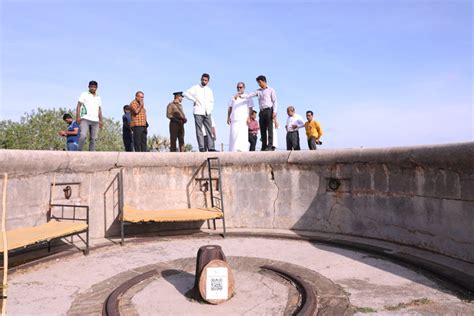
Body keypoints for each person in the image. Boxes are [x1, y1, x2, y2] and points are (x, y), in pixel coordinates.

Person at [240, 75, 277, 151]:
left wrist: (275, 111)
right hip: (262, 111)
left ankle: (270, 146)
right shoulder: (258, 91)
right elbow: (250, 95)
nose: (259, 84)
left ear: (264, 81)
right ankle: (264, 146)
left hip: (269, 110)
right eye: (258, 83)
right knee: (262, 130)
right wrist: (241, 95)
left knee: (270, 129)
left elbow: (275, 101)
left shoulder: (271, 90)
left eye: (260, 82)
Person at [183, 73, 216, 152]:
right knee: (199, 130)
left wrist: (210, 109)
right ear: (201, 79)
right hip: (198, 112)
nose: (204, 81)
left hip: (207, 112)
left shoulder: (209, 90)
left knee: (209, 130)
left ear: (208, 81)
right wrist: (194, 100)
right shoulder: (195, 87)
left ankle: (211, 147)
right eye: (203, 80)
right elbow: (185, 93)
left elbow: (212, 101)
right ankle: (201, 147)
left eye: (205, 80)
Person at [76, 80, 103, 151]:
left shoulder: (98, 97)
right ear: (89, 87)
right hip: (85, 118)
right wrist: (78, 116)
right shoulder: (84, 94)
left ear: (96, 88)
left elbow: (99, 109)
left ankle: (91, 152)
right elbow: (78, 105)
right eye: (91, 87)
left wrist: (101, 120)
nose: (93, 88)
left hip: (95, 120)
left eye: (94, 87)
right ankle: (79, 151)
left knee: (93, 138)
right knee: (83, 135)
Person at [228, 82, 254, 152]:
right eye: (238, 87)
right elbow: (230, 107)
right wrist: (228, 117)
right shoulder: (233, 97)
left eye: (240, 87)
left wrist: (249, 117)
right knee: (234, 135)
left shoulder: (248, 96)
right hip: (234, 119)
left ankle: (243, 150)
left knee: (242, 135)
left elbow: (251, 108)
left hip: (244, 119)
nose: (239, 89)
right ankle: (233, 150)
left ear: (244, 88)